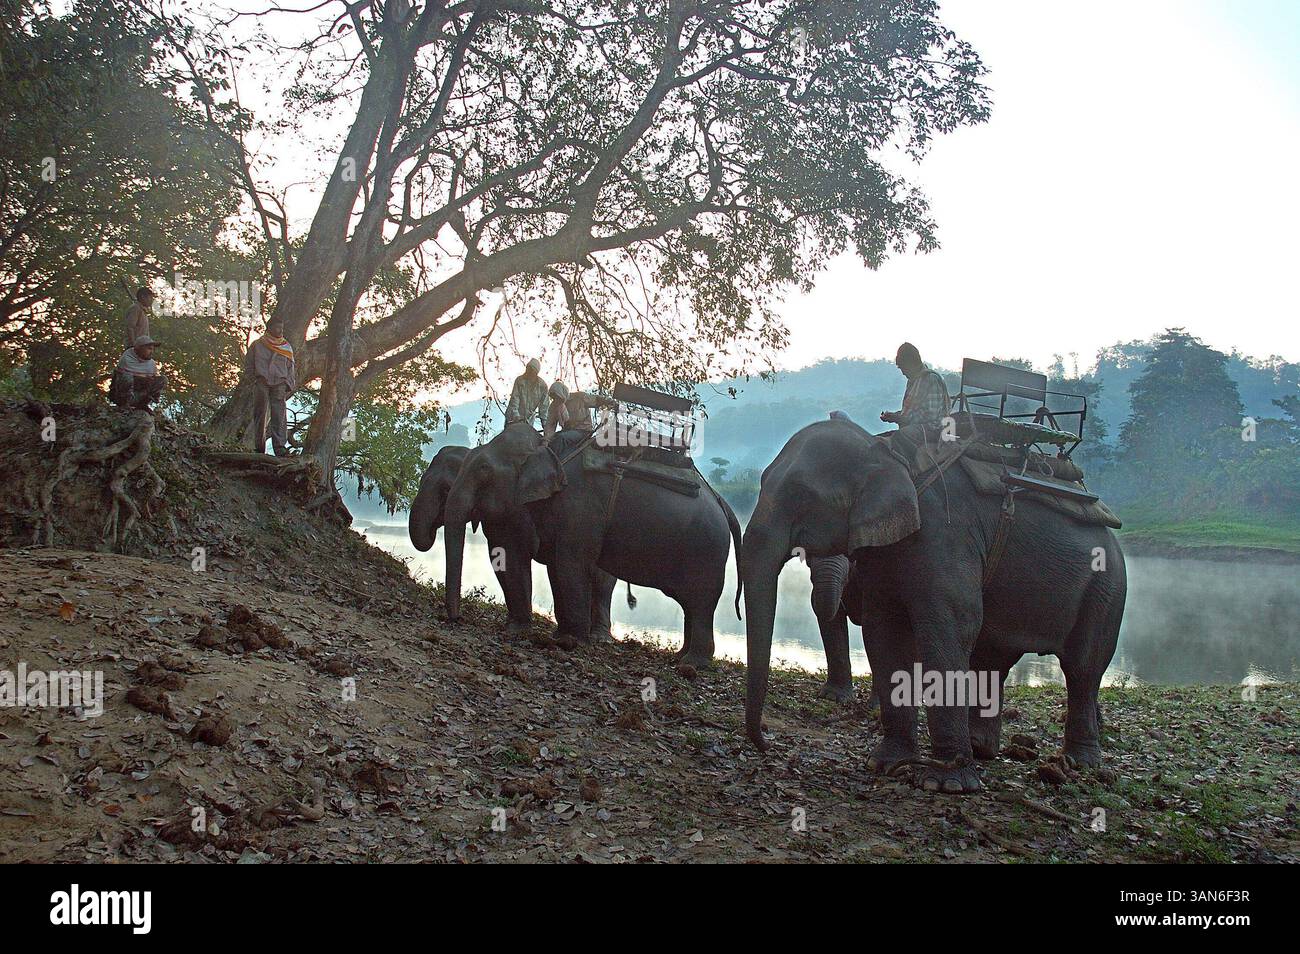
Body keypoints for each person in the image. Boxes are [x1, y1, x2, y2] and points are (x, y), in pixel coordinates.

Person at [247, 317, 296, 456]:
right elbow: (249, 364)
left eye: (282, 328)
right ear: (269, 328)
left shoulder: (286, 347)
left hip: (280, 384)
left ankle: (280, 448)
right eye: (277, 328)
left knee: (279, 416)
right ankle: (259, 448)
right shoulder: (257, 345)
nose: (280, 331)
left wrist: (288, 384)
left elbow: (291, 367)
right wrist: (254, 379)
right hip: (261, 382)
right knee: (260, 415)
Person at [880, 342, 950, 430]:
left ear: (911, 364)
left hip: (931, 430)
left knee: (899, 436)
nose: (903, 372)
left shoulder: (931, 379)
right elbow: (910, 413)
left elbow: (930, 416)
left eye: (903, 368)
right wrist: (895, 416)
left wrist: (900, 419)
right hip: (915, 428)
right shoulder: (913, 381)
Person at [542, 381, 615, 442]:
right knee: (554, 439)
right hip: (567, 431)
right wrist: (546, 440)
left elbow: (596, 400)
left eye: (557, 396)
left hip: (583, 431)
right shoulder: (554, 407)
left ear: (562, 393)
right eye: (553, 397)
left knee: (562, 438)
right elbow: (550, 425)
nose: (556, 399)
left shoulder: (579, 397)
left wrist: (609, 401)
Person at [110, 336, 166, 410]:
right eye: (149, 349)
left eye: (153, 349)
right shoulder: (127, 358)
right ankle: (124, 405)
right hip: (122, 396)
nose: (152, 352)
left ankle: (143, 404)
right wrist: (144, 379)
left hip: (139, 394)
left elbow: (151, 379)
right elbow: (126, 379)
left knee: (162, 379)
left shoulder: (151, 363)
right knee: (127, 377)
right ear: (139, 348)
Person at [504, 358, 548, 429]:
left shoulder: (542, 386)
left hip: (528, 421)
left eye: (531, 370)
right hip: (512, 419)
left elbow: (544, 406)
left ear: (535, 372)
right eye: (527, 368)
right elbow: (515, 399)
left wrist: (545, 424)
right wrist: (516, 415)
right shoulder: (519, 381)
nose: (528, 372)